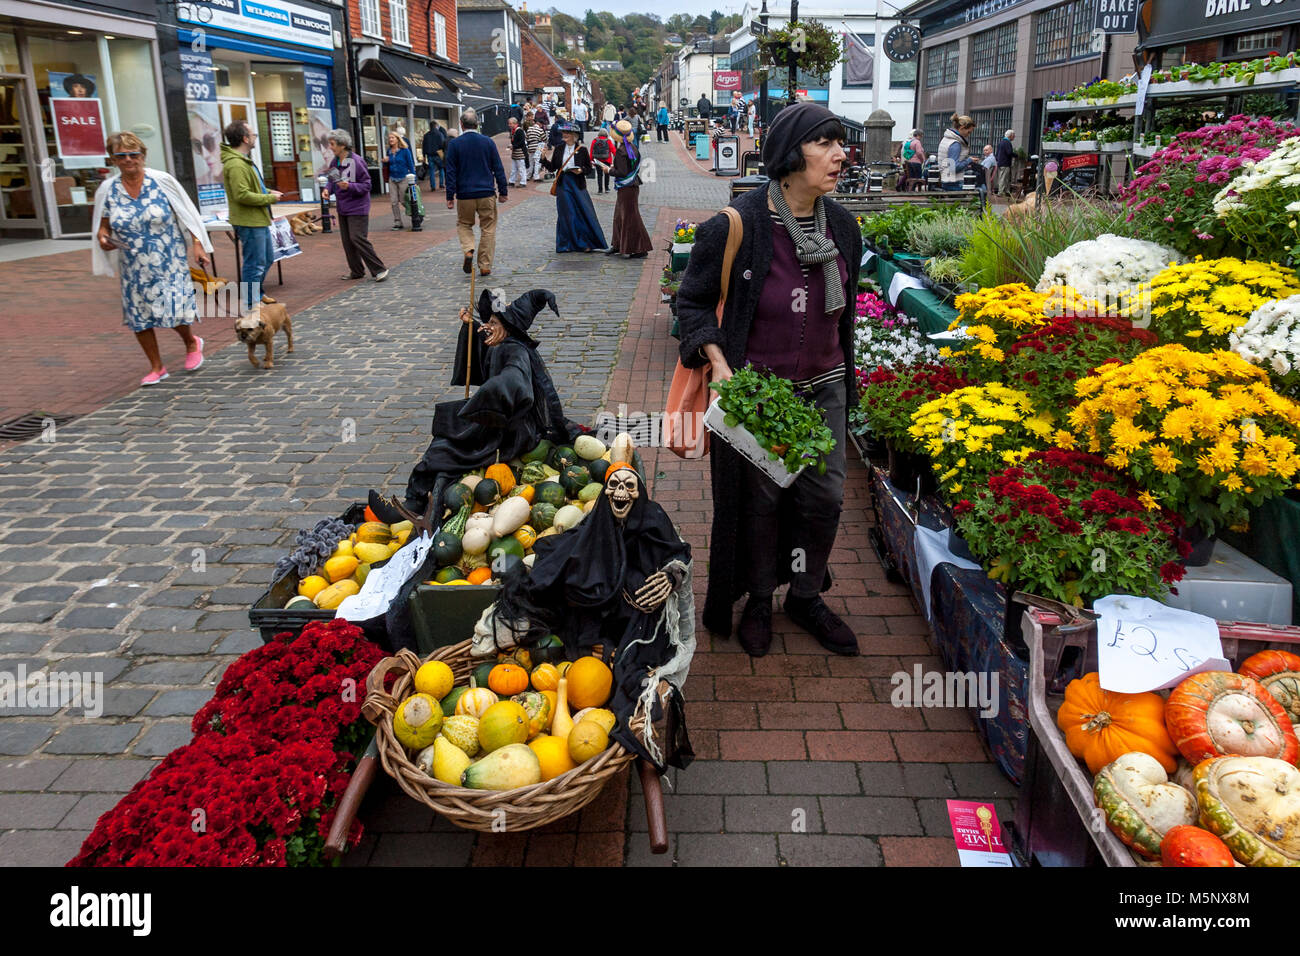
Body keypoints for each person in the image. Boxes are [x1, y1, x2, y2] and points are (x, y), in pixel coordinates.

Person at [675, 102, 862, 658]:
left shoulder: (843, 226)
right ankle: (758, 598)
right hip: (761, 395)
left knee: (823, 497)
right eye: (824, 143)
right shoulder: (740, 224)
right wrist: (720, 363)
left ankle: (804, 595)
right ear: (789, 155)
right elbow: (693, 302)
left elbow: (845, 313)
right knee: (762, 500)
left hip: (824, 383)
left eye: (840, 143)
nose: (839, 154)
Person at [391, 289, 582, 514]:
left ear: (507, 328)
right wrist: (470, 327)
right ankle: (417, 498)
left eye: (492, 322)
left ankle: (418, 500)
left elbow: (515, 378)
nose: (487, 326)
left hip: (512, 431)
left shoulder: (515, 351)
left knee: (447, 447)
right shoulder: (500, 344)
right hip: (496, 418)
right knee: (447, 433)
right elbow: (483, 351)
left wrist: (494, 389)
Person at [92, 131, 211, 386]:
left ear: (143, 156)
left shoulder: (162, 181)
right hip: (133, 265)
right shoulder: (108, 190)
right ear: (113, 159)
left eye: (133, 154)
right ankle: (157, 366)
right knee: (139, 316)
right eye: (121, 155)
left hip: (169, 259)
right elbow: (104, 227)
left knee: (173, 309)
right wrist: (104, 239)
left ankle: (191, 342)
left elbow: (187, 215)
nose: (128, 160)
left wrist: (198, 246)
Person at [220, 119, 283, 312]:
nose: (255, 137)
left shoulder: (244, 161)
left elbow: (251, 188)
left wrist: (267, 192)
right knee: (254, 263)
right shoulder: (237, 164)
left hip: (257, 219)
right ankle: (250, 303)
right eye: (253, 134)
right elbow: (242, 195)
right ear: (245, 138)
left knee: (267, 258)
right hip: (249, 221)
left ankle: (257, 293)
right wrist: (269, 199)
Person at [444, 107, 508, 277]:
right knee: (488, 227)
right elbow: (498, 168)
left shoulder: (454, 144)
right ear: (477, 124)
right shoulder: (487, 142)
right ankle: (485, 264)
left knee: (464, 224)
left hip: (465, 194)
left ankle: (468, 249)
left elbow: (450, 172)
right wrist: (503, 190)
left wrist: (450, 196)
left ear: (461, 124)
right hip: (486, 192)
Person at [322, 128, 388, 283]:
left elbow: (367, 186)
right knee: (347, 240)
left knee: (357, 237)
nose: (330, 147)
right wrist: (327, 189)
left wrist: (350, 187)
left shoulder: (357, 161)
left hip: (358, 207)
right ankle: (356, 270)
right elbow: (332, 179)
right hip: (343, 207)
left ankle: (379, 269)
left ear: (342, 144)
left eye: (332, 144)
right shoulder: (335, 161)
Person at [541, 121, 607, 254]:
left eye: (567, 133)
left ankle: (584, 243)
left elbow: (588, 169)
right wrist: (543, 159)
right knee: (567, 214)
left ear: (574, 135)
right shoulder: (559, 148)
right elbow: (553, 167)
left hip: (577, 184)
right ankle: (566, 244)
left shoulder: (582, 150)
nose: (564, 135)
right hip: (563, 183)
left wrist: (581, 170)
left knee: (582, 212)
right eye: (563, 133)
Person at [606, 119, 652, 259]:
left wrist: (608, 170)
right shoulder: (632, 147)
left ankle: (639, 247)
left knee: (630, 217)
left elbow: (622, 172)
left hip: (627, 187)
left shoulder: (621, 151)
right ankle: (618, 244)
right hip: (633, 185)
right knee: (620, 216)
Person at [386, 129, 416, 229]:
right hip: (392, 178)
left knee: (404, 201)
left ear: (397, 139)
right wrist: (385, 161)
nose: (390, 139)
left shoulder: (405, 151)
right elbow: (387, 164)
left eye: (392, 138)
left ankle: (415, 216)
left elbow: (411, 165)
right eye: (389, 138)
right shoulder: (389, 151)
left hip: (403, 178)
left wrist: (413, 181)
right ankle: (398, 222)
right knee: (393, 201)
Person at [937, 113, 976, 191]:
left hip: (946, 178)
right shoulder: (955, 144)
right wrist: (969, 160)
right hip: (955, 181)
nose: (968, 135)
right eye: (968, 132)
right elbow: (954, 167)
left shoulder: (946, 139)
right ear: (962, 128)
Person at [422, 120, 447, 192]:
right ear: (436, 126)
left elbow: (424, 146)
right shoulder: (440, 134)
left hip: (429, 155)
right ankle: (441, 184)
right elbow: (442, 145)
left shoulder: (426, 135)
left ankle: (433, 186)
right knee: (441, 169)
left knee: (431, 171)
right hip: (439, 154)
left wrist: (424, 156)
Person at [590, 126, 615, 194]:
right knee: (607, 174)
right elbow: (613, 150)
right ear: (606, 134)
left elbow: (591, 151)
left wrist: (591, 160)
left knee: (599, 175)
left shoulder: (595, 140)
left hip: (597, 160)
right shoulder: (608, 141)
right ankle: (606, 188)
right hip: (607, 160)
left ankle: (600, 190)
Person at [507, 116, 528, 187]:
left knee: (521, 168)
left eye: (510, 124)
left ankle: (523, 182)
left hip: (520, 152)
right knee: (514, 168)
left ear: (514, 123)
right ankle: (511, 181)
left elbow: (521, 142)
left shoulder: (519, 131)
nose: (509, 125)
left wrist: (514, 146)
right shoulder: (514, 131)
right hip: (515, 152)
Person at [526, 115, 548, 182]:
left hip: (530, 147)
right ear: (539, 124)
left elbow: (526, 138)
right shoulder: (540, 130)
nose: (542, 126)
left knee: (531, 162)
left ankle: (528, 176)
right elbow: (545, 139)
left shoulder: (529, 129)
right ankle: (536, 177)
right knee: (537, 162)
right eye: (541, 125)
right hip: (537, 146)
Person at [995, 128, 1015, 196]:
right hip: (1005, 163)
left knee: (1002, 177)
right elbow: (1009, 152)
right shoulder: (1007, 143)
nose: (1014, 137)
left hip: (1000, 162)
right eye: (1013, 135)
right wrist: (1015, 155)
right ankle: (1001, 192)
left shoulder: (1001, 142)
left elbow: (997, 153)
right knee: (1004, 178)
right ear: (1010, 135)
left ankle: (1005, 191)